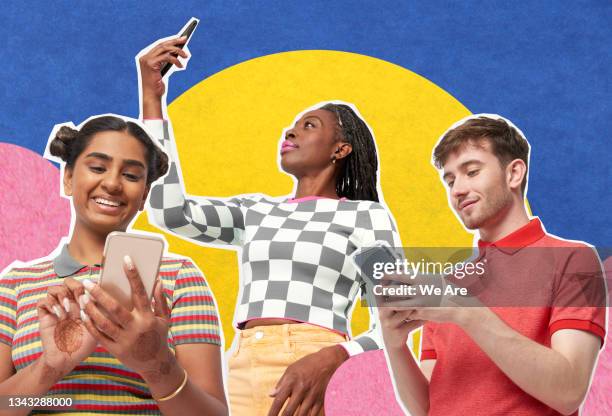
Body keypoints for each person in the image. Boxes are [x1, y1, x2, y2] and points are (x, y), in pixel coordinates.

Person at [137, 37, 403, 416]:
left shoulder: (365, 216)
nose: (290, 132)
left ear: (340, 149)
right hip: (242, 366)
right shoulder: (256, 211)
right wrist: (152, 97)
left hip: (314, 369)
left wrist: (335, 356)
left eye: (308, 126)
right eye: (291, 126)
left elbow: (396, 320)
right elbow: (169, 212)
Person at [380, 115, 607, 416]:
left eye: (471, 172)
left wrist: (466, 312)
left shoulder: (574, 260)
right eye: (450, 180)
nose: (457, 189)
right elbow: (426, 408)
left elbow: (568, 392)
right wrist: (394, 345)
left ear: (514, 174)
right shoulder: (448, 285)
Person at [0, 116, 227, 415]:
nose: (112, 183)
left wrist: (157, 364)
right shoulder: (15, 284)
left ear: (144, 194)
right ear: (68, 178)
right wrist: (51, 366)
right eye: (97, 167)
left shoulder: (178, 278)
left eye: (132, 176)